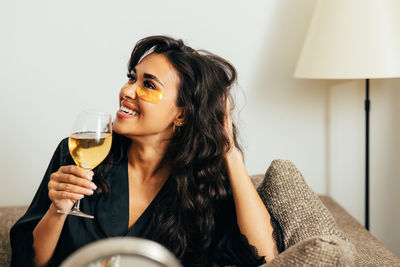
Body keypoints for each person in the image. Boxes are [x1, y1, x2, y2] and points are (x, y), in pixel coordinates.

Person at [10, 36, 279, 267]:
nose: (127, 91)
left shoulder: (205, 182)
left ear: (182, 115)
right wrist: (58, 209)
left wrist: (230, 152)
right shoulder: (81, 152)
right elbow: (29, 262)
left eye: (148, 85)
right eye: (131, 78)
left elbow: (267, 258)